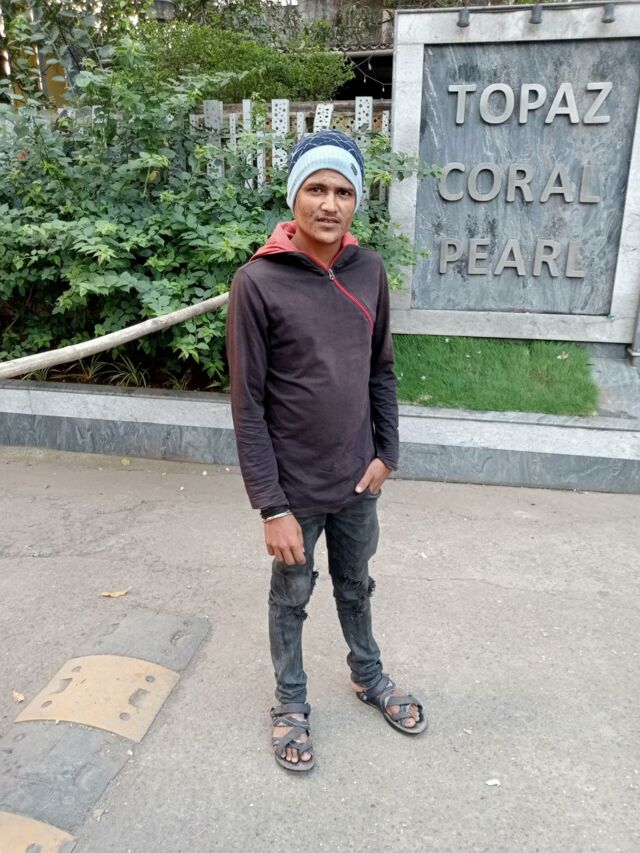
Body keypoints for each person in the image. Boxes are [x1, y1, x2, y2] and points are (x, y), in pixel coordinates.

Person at [226, 129, 427, 773]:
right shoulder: (257, 282)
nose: (330, 203)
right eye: (316, 188)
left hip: (358, 478)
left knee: (356, 584)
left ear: (355, 201)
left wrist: (387, 453)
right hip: (293, 489)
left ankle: (367, 675)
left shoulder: (369, 271)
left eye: (343, 191)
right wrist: (272, 507)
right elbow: (247, 405)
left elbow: (381, 370)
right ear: (295, 196)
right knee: (291, 595)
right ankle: (290, 702)